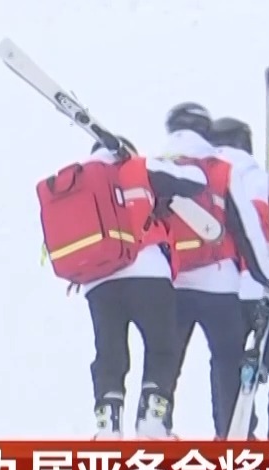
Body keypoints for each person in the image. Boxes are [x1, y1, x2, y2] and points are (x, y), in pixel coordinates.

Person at [72, 136, 208, 440]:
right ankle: (152, 421)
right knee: (162, 348)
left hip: (99, 281)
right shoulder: (140, 167)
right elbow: (195, 181)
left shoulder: (78, 182)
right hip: (147, 273)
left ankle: (107, 426)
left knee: (109, 354)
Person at [160, 103, 269, 439]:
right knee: (227, 361)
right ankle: (232, 433)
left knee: (165, 360)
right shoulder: (222, 170)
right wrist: (266, 275)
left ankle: (156, 426)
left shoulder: (153, 168)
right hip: (220, 284)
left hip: (172, 284)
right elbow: (246, 230)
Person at [212, 116, 269, 440]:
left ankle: (229, 432)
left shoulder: (208, 181)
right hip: (265, 287)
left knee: (225, 362)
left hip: (222, 291)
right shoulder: (264, 181)